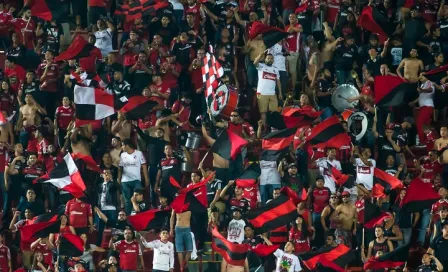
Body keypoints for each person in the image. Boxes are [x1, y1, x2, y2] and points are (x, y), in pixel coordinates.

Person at [118, 138, 149, 215]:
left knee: (139, 199)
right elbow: (120, 168)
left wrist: (146, 179)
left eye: (122, 145)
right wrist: (119, 178)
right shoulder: (122, 155)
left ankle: (139, 216)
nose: (121, 147)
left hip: (136, 180)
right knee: (128, 201)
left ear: (127, 145)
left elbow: (144, 166)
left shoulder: (138, 153)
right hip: (125, 181)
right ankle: (129, 219)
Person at [254, 52, 282, 128]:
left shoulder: (275, 69)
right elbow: (255, 63)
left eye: (271, 58)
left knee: (274, 112)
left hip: (272, 93)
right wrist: (259, 56)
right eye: (268, 58)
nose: (270, 59)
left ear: (273, 60)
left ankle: (274, 128)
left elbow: (278, 81)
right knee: (263, 112)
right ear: (265, 59)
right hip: (262, 93)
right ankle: (264, 129)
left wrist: (280, 93)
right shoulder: (261, 66)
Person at [170, 206, 192, 272]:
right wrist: (171, 229)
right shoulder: (176, 204)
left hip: (187, 228)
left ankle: (185, 262)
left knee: (190, 249)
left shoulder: (190, 204)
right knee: (179, 249)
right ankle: (181, 267)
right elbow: (172, 217)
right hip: (178, 228)